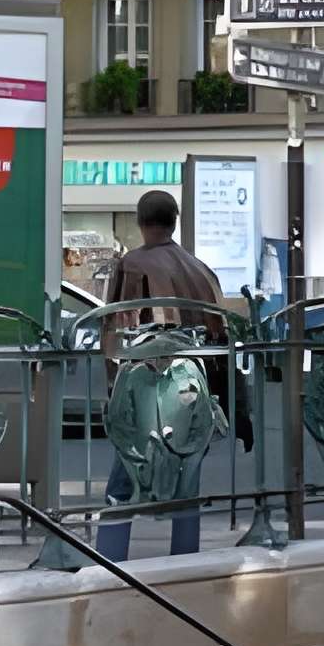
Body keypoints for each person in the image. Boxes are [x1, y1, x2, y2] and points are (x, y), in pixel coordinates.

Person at [95, 189, 249, 562]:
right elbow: (221, 335)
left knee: (124, 478)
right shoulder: (200, 269)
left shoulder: (131, 265)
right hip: (195, 394)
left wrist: (114, 389)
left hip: (146, 391)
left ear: (139, 221)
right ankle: (184, 561)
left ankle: (110, 559)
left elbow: (115, 335)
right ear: (175, 220)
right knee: (187, 476)